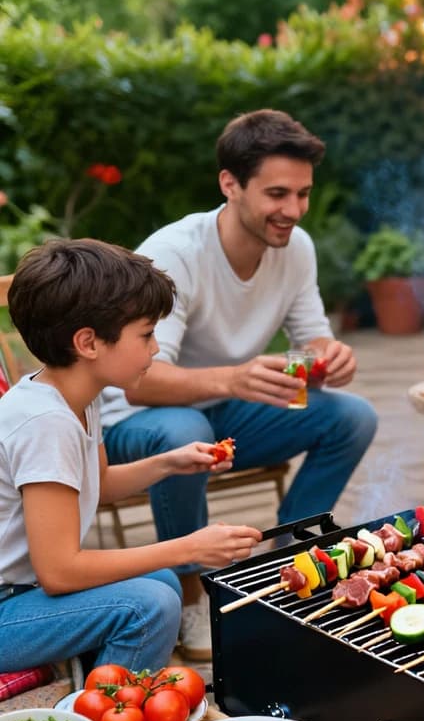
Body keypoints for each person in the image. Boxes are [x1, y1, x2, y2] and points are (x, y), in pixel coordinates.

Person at [100, 109, 377, 660]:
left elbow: (312, 339)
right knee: (185, 429)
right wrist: (234, 377)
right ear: (230, 184)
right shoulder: (176, 253)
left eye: (303, 194)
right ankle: (191, 590)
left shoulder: (296, 248)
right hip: (138, 426)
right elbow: (137, 381)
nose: (293, 210)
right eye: (277, 194)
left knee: (353, 416)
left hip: (225, 414)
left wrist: (330, 357)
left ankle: (288, 563)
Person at [0, 238, 262, 675]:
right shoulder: (46, 422)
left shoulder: (78, 395)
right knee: (149, 605)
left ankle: (102, 677)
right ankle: (103, 712)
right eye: (146, 334)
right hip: (9, 606)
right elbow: (60, 572)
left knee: (159, 581)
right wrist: (188, 546)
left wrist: (169, 462)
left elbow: (99, 485)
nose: (155, 349)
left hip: (23, 594)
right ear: (88, 343)